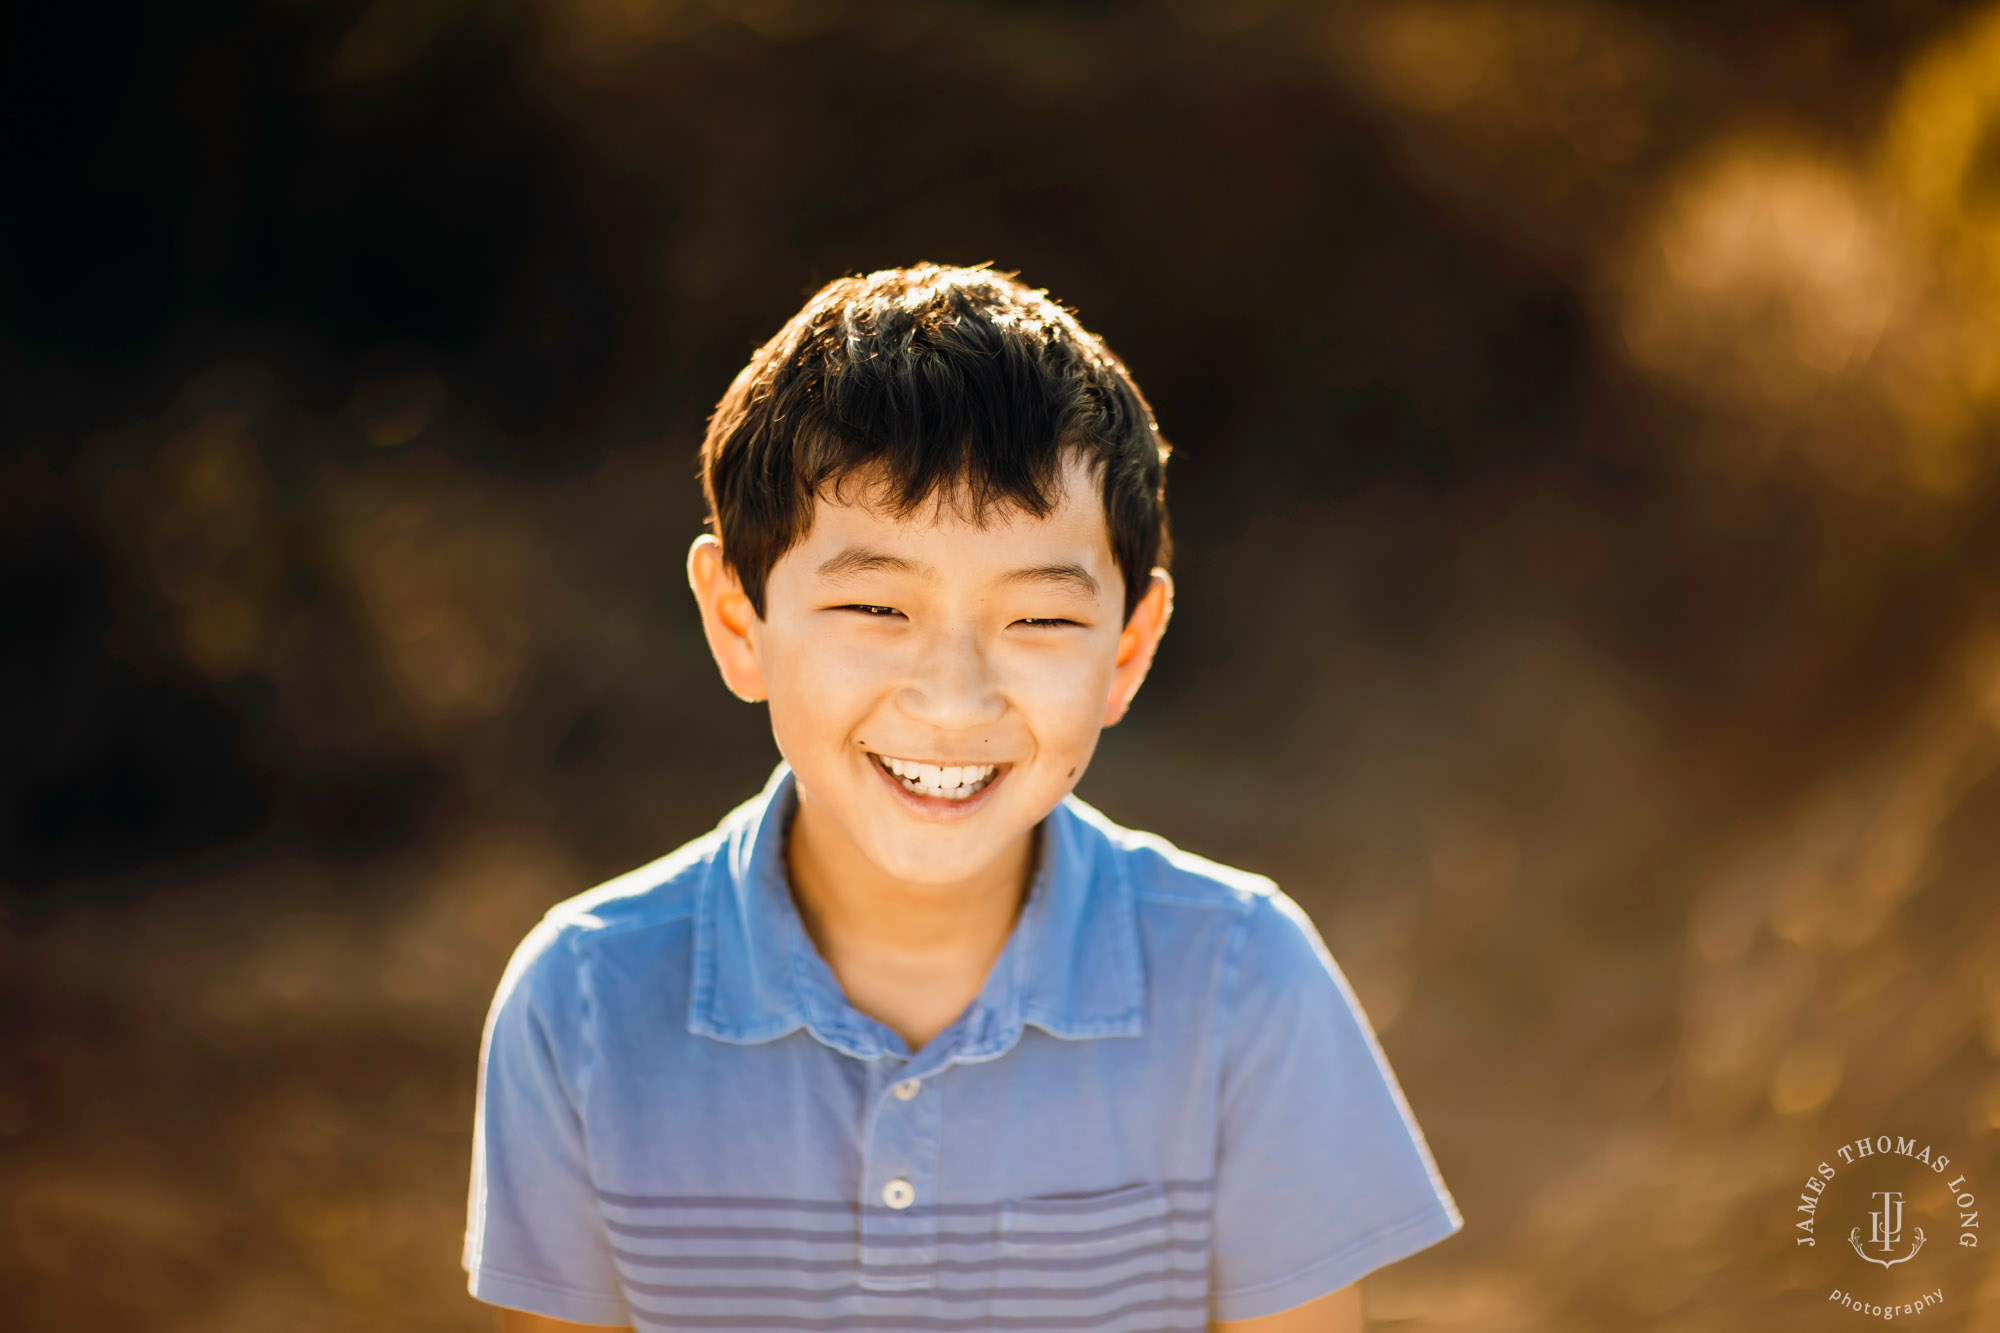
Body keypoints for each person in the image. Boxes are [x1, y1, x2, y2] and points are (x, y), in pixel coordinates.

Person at [463, 263, 1461, 1332]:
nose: (951, 701)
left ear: (1127, 650)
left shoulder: (1240, 981)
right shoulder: (584, 1000)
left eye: (1037, 621)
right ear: (738, 622)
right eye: (874, 605)